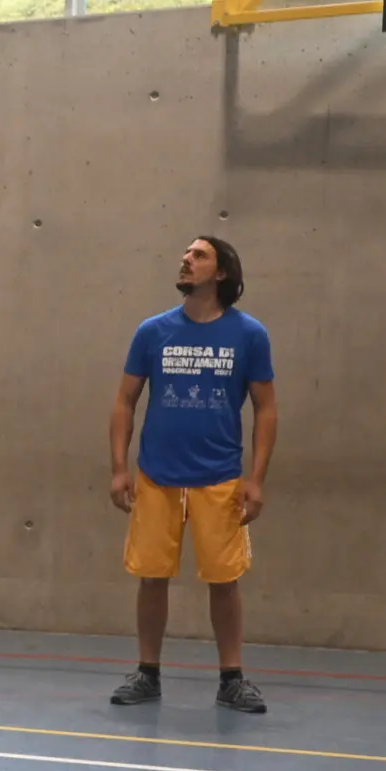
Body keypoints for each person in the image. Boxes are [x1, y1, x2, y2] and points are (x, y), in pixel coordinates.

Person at [107, 236, 279, 713]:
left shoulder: (249, 335)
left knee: (224, 580)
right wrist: (120, 468)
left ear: (222, 272)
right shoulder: (152, 332)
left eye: (199, 255)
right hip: (157, 476)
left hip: (220, 477)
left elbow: (266, 409)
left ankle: (232, 678)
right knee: (151, 577)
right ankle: (147, 673)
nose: (186, 259)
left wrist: (256, 479)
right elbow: (125, 401)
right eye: (185, 254)